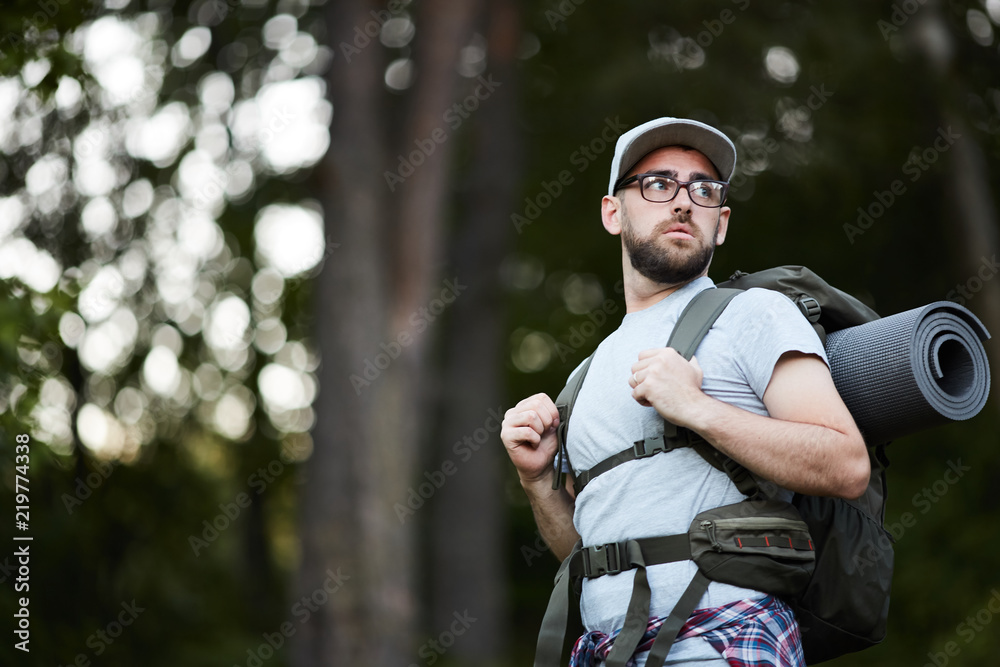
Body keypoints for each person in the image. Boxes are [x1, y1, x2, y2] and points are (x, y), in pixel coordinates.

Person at [500, 117, 871, 666]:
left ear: (720, 224)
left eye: (703, 189)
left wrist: (697, 408)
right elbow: (587, 552)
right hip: (605, 650)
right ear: (612, 212)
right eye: (657, 184)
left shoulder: (754, 314)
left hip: (724, 635)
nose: (682, 202)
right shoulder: (583, 377)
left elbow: (846, 464)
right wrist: (537, 481)